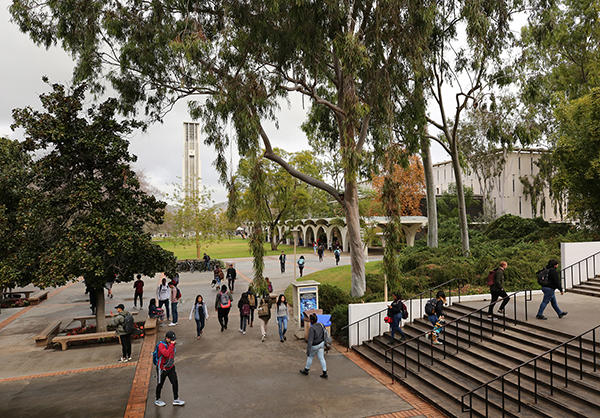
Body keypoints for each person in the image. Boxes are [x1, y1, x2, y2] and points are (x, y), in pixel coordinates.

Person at [154, 331, 185, 407]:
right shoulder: (161, 345)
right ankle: (157, 399)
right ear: (167, 338)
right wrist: (171, 345)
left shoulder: (171, 344)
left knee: (175, 382)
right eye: (171, 339)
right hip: (162, 368)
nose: (173, 340)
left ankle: (176, 399)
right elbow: (166, 354)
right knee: (160, 384)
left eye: (173, 339)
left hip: (171, 367)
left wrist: (171, 345)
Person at [299, 313, 328, 378]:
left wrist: (308, 350)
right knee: (322, 358)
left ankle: (306, 370)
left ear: (311, 321)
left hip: (314, 345)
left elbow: (310, 341)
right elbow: (325, 334)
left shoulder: (312, 329)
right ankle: (325, 372)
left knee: (310, 357)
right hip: (321, 344)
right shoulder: (321, 325)